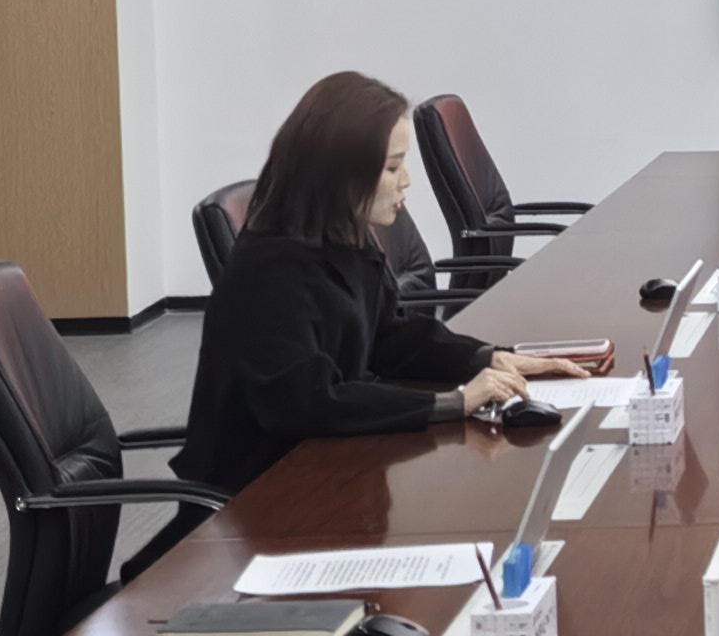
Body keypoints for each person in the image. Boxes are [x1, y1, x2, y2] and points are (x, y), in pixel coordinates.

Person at [174, 71, 568, 496]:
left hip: (331, 468)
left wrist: (487, 357)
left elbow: (389, 338)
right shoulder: (269, 272)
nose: (406, 180)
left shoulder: (342, 236)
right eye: (393, 166)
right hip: (262, 493)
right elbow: (311, 402)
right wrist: (453, 403)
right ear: (341, 173)